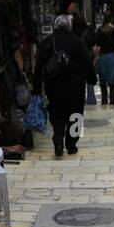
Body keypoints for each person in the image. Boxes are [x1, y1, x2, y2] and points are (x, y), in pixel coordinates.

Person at [33, 13, 97, 157]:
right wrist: (92, 78)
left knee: (57, 113)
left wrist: (36, 87)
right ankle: (72, 144)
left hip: (54, 86)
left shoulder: (47, 42)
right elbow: (87, 63)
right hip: (75, 87)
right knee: (76, 114)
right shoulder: (77, 42)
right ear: (69, 26)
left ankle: (58, 140)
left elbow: (38, 67)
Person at [94, 11, 114, 106]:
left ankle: (104, 100)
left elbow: (97, 47)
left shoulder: (99, 30)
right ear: (112, 19)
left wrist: (96, 58)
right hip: (113, 57)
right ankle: (112, 101)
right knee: (112, 81)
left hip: (103, 58)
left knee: (102, 80)